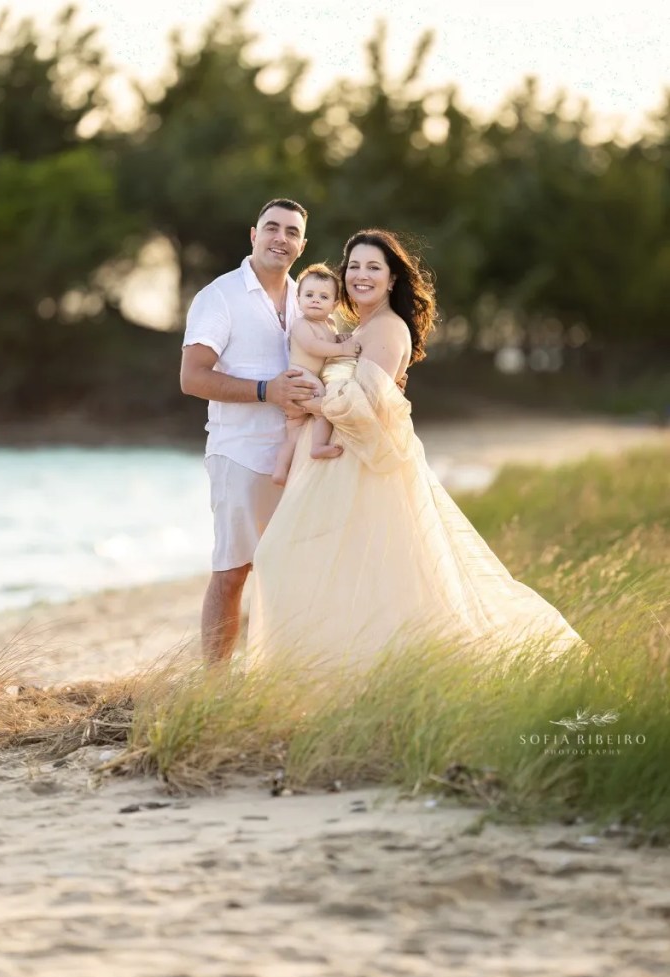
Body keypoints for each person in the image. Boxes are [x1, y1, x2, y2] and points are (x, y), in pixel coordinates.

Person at [247, 229, 584, 674]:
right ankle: (330, 679)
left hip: (358, 467)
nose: (361, 275)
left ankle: (350, 675)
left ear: (391, 279)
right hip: (336, 463)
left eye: (374, 267)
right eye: (354, 267)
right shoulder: (358, 329)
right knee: (329, 575)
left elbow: (364, 407)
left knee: (289, 561)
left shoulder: (388, 328)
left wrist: (302, 400)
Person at [180, 198, 318, 665]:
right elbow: (192, 378)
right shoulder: (219, 296)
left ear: (302, 245)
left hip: (297, 458)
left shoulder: (307, 299)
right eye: (272, 227)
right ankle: (215, 688)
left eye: (292, 232)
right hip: (238, 454)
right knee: (233, 571)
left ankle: (276, 677)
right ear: (254, 235)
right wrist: (266, 391)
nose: (281, 238)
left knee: (290, 573)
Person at [272, 263, 362, 486]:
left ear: (334, 304)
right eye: (309, 295)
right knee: (325, 410)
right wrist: (342, 349)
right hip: (301, 378)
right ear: (298, 299)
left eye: (323, 297)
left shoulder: (329, 324)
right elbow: (313, 347)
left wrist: (339, 338)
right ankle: (318, 446)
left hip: (306, 380)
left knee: (294, 434)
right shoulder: (301, 324)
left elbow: (328, 341)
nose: (315, 300)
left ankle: (281, 472)